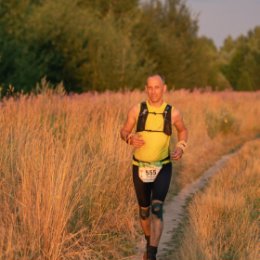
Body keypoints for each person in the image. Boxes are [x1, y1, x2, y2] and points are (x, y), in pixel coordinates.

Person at [120, 75, 188, 260]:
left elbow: (183, 130)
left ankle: (151, 254)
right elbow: (124, 130)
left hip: (162, 167)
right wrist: (129, 138)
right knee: (144, 210)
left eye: (157, 87)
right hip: (139, 167)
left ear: (164, 88)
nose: (153, 91)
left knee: (157, 209)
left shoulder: (172, 112)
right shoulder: (137, 110)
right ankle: (150, 239)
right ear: (146, 88)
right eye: (150, 87)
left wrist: (181, 147)